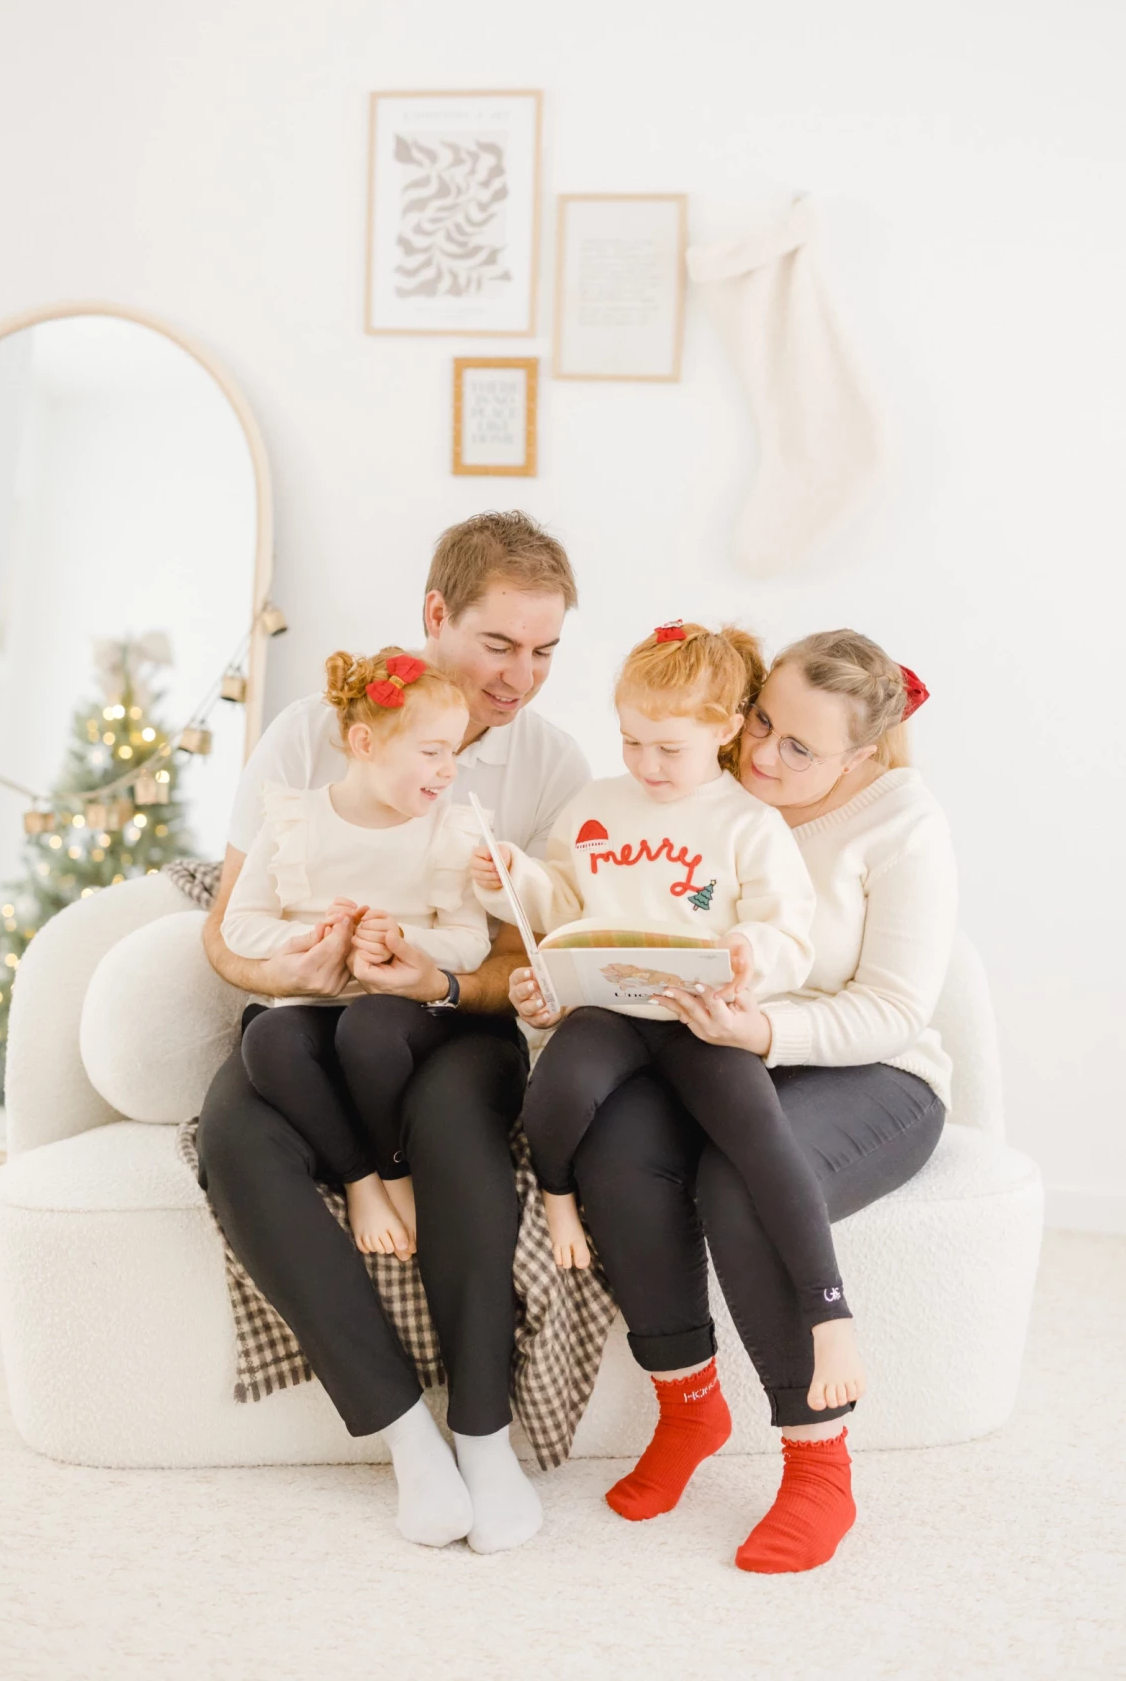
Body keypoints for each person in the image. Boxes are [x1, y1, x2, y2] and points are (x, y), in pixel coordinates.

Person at [512, 629, 956, 1573]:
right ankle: (687, 1404)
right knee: (619, 1152)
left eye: (800, 748)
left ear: (861, 755)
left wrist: (764, 1033)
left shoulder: (902, 820)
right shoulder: (707, 797)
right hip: (716, 1055)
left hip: (870, 1074)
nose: (764, 756)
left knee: (735, 1182)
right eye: (761, 723)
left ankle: (818, 1461)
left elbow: (891, 1009)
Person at [196, 512, 590, 1553]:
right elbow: (225, 937)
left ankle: (484, 1432)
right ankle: (403, 1433)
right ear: (433, 616)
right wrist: (294, 966)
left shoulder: (551, 764)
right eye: (499, 644)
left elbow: (531, 962)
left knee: (456, 1131)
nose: (521, 677)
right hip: (311, 1006)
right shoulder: (313, 732)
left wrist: (441, 979)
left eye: (546, 651)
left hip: (450, 1021)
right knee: (238, 1136)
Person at [474, 621, 865, 1417]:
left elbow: (791, 932)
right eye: (631, 742)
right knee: (557, 1089)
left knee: (757, 1131)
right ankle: (556, 1199)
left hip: (700, 1016)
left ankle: (829, 1312)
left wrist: (748, 953)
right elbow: (560, 908)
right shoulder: (594, 807)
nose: (646, 765)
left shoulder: (747, 824)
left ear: (724, 729)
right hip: (611, 1008)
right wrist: (509, 879)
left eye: (669, 749)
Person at [223, 646, 494, 1260]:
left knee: (368, 1033)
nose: (448, 769)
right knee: (268, 1041)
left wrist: (407, 944)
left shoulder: (447, 832)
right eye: (432, 752)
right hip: (309, 1004)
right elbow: (241, 924)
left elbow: (472, 942)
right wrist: (311, 943)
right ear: (366, 745)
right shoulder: (294, 820)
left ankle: (393, 1166)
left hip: (394, 1011)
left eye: (454, 751)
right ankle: (362, 1180)